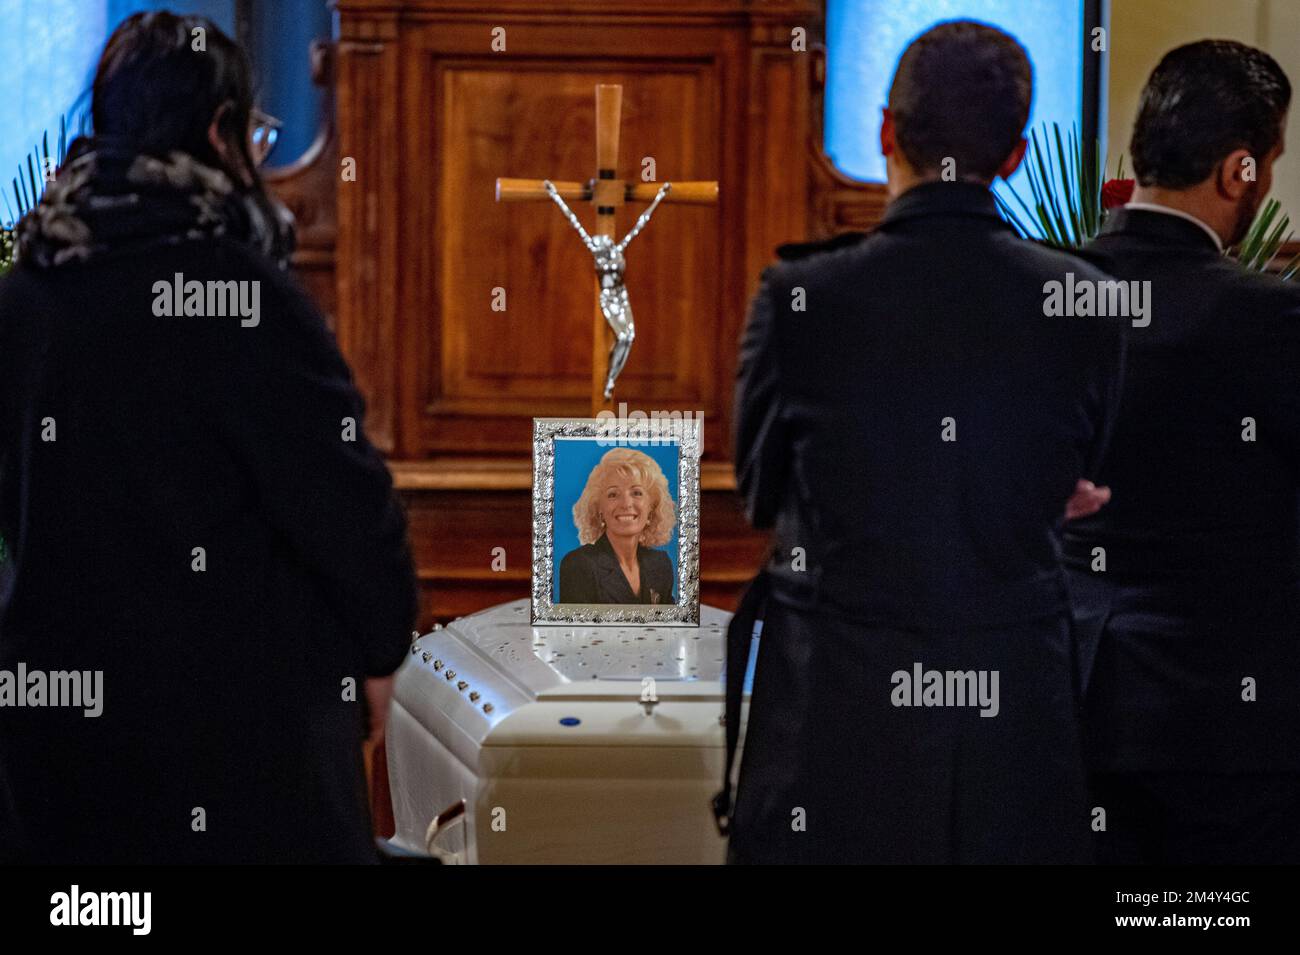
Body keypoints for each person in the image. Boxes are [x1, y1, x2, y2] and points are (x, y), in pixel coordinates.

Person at [0, 12, 417, 863]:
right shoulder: (240, 296)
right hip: (245, 747)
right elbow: (343, 499)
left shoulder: (26, 298)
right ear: (223, 134)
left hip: (62, 747)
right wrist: (381, 646)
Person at [720, 20, 1126, 863]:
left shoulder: (804, 295)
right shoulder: (1084, 300)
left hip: (837, 711)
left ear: (884, 134)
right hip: (1014, 718)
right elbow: (1083, 473)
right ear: (1016, 156)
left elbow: (759, 491)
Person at [1063, 40, 1300, 864]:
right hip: (1220, 725)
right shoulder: (1267, 319)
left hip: (1065, 699)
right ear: (1241, 171)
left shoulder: (1047, 292)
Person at [558, 447, 676, 604]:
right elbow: (576, 628)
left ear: (652, 507)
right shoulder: (579, 565)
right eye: (613, 494)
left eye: (636, 493)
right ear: (598, 508)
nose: (626, 504)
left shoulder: (660, 564)